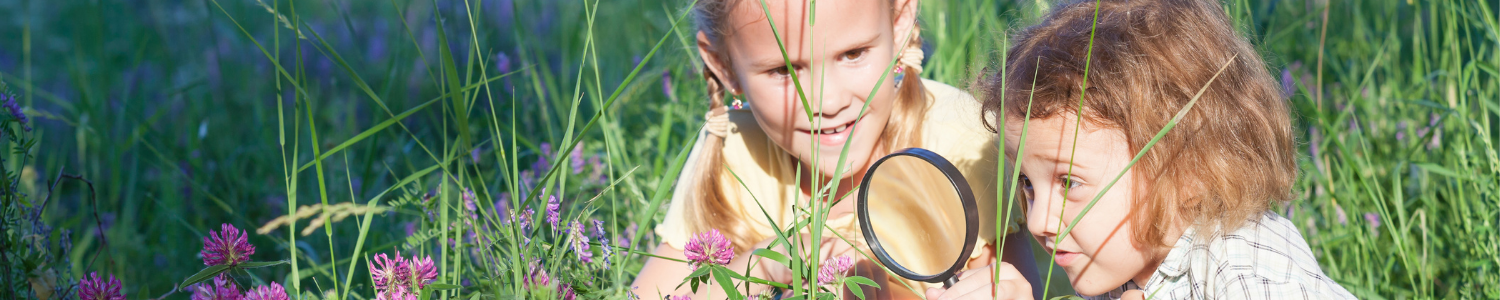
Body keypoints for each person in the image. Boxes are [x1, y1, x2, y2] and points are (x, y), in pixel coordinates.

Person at [630, 0, 1042, 298]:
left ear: (899, 22)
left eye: (853, 54)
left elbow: (1010, 287)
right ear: (723, 65)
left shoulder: (960, 141)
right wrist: (767, 265)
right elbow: (651, 294)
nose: (826, 103)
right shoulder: (736, 149)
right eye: (783, 71)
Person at [956, 0, 1359, 299]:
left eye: (1070, 181)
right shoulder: (1119, 264)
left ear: (1187, 170)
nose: (1039, 219)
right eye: (1027, 182)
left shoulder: (1243, 268)